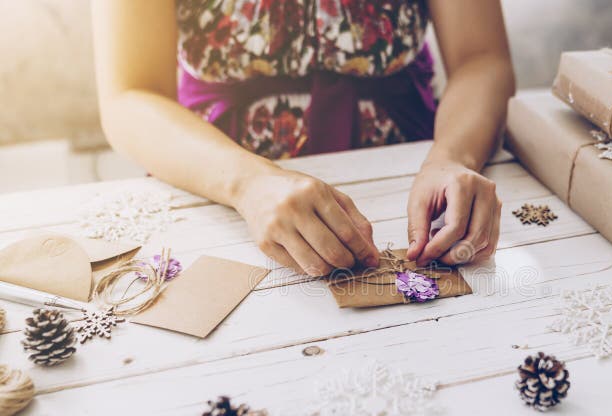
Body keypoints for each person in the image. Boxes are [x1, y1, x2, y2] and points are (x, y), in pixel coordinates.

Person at [92, 0, 514, 275]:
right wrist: (248, 183)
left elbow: (482, 58)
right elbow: (129, 97)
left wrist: (453, 157)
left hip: (409, 176)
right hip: (212, 177)